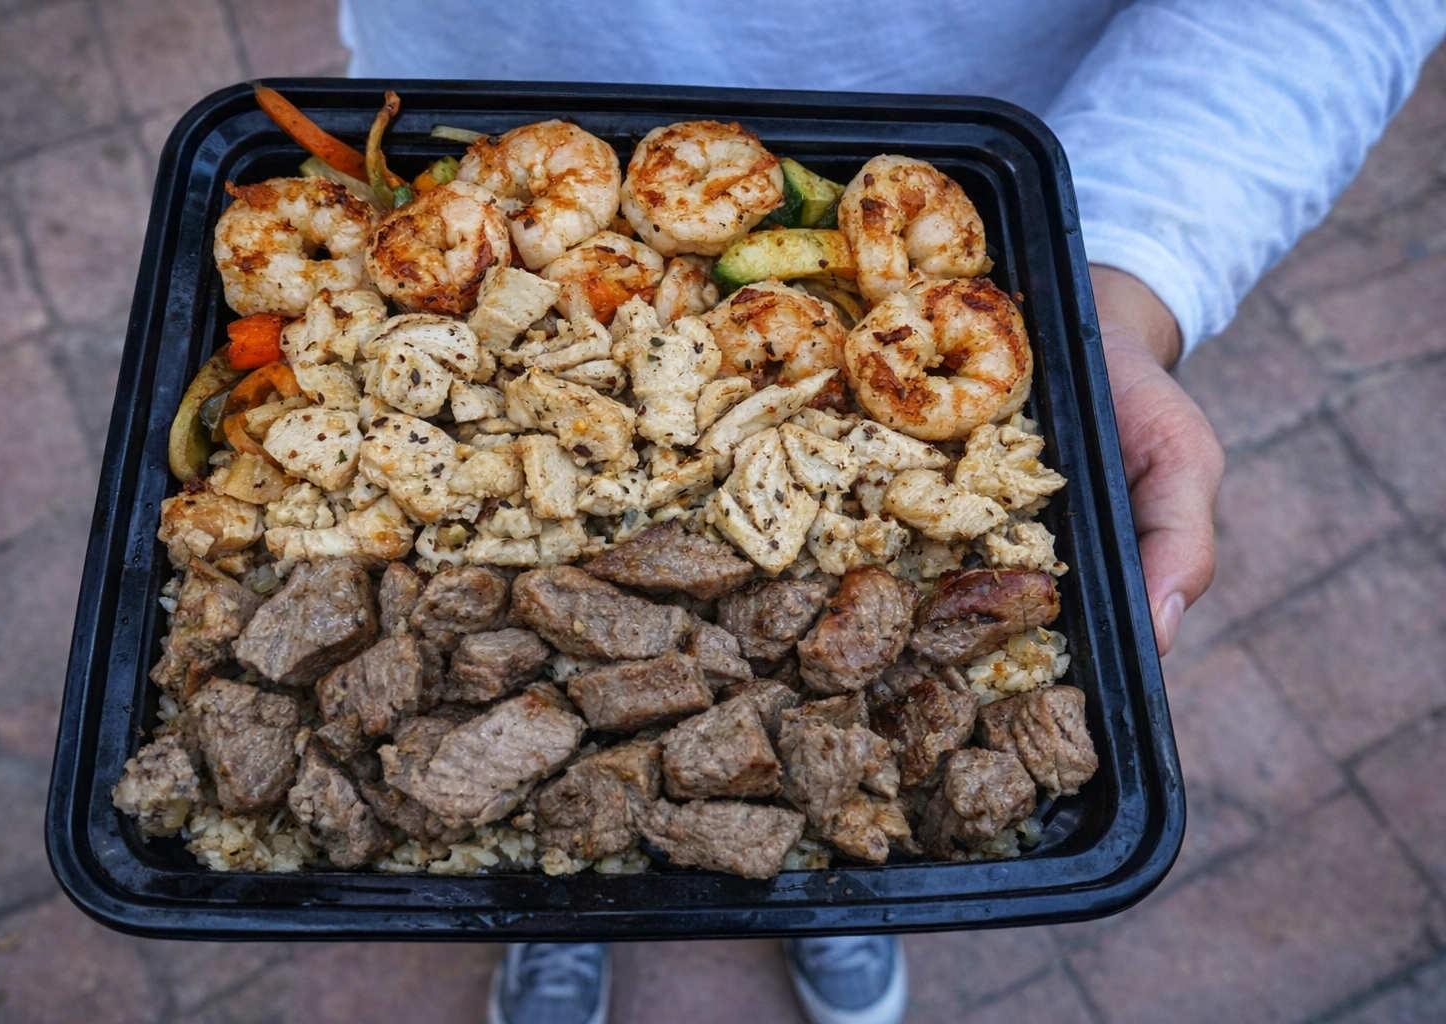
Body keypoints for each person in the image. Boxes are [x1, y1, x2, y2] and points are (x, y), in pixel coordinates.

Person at [339, 3, 1446, 1023]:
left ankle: (832, 867)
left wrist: (1120, 284)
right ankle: (559, 886)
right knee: (547, 801)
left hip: (1004, 111)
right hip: (473, 72)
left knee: (850, 765)